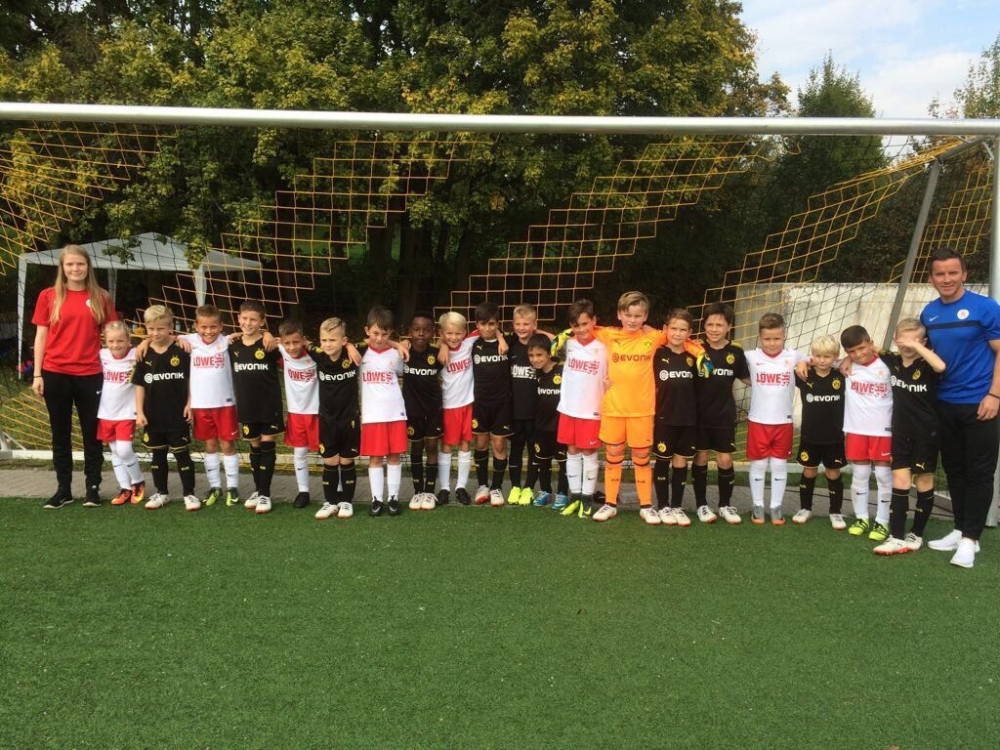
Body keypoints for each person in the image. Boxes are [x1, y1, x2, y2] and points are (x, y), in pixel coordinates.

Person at [921, 247, 1000, 568]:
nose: (947, 279)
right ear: (931, 278)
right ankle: (960, 528)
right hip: (945, 403)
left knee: (980, 471)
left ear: (964, 274)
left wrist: (994, 395)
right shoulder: (929, 313)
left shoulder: (986, 308)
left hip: (981, 403)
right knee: (954, 469)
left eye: (953, 272)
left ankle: (970, 540)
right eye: (940, 274)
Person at [32, 244, 117, 509]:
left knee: (92, 433)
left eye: (80, 264)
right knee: (60, 433)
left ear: (88, 266)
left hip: (91, 374)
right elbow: (41, 336)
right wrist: (37, 374)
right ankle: (63, 490)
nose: (75, 269)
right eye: (70, 264)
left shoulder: (101, 297)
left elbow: (114, 334)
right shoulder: (48, 296)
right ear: (62, 267)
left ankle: (93, 488)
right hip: (55, 373)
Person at [590, 292, 669, 522]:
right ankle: (610, 504)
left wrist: (701, 352)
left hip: (642, 410)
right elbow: (580, 328)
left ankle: (646, 506)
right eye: (628, 315)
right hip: (614, 408)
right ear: (619, 315)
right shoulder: (608, 334)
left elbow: (680, 336)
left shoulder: (654, 337)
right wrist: (555, 337)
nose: (632, 320)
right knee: (613, 454)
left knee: (641, 456)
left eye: (637, 316)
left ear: (645, 316)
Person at [873, 318, 946, 555]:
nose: (908, 345)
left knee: (923, 480)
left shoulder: (927, 364)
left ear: (923, 342)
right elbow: (867, 349)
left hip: (926, 432)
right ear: (896, 340)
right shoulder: (892, 360)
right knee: (900, 481)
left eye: (914, 341)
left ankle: (916, 534)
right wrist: (843, 361)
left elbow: (941, 367)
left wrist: (918, 347)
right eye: (903, 340)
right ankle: (895, 536)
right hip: (900, 432)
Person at [132, 305, 198, 511]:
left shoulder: (182, 350)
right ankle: (162, 493)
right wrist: (140, 412)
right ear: (146, 327)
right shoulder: (143, 353)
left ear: (170, 327)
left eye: (160, 328)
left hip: (177, 413)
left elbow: (190, 380)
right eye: (151, 329)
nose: (155, 333)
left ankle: (189, 494)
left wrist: (190, 403)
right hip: (153, 414)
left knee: (182, 454)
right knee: (157, 455)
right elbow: (139, 385)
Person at [691, 303, 749, 525]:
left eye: (719, 325)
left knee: (725, 459)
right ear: (703, 325)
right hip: (699, 416)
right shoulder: (695, 348)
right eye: (710, 324)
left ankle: (725, 505)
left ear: (729, 327)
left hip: (724, 415)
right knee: (702, 457)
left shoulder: (736, 351)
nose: (714, 329)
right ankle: (701, 505)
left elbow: (747, 378)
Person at [744, 313, 805, 525]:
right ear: (760, 337)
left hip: (783, 422)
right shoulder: (751, 356)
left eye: (777, 338)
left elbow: (820, 359)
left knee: (779, 465)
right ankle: (758, 505)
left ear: (784, 336)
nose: (772, 343)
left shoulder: (794, 355)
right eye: (767, 339)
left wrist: (803, 362)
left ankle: (776, 506)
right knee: (759, 465)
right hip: (758, 421)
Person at [180, 304, 241, 507]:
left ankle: (232, 487)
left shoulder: (227, 341)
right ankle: (215, 487)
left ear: (221, 326)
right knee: (210, 445)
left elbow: (251, 334)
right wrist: (178, 339)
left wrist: (266, 334)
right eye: (204, 327)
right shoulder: (188, 340)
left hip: (225, 404)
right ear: (196, 326)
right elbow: (164, 338)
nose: (208, 331)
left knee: (227, 445)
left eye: (213, 326)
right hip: (200, 405)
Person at [553, 299, 607, 517]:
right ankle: (575, 496)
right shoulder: (567, 343)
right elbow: (542, 339)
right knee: (572, 451)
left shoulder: (605, 345)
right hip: (568, 407)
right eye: (577, 325)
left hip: (592, 409)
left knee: (589, 452)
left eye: (586, 323)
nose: (582, 329)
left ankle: (587, 498)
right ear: (570, 326)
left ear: (594, 321)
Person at [840, 325, 894, 542]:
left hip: (884, 430)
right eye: (851, 352)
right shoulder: (846, 366)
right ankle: (861, 518)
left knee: (883, 476)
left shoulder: (889, 364)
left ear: (871, 343)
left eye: (862, 348)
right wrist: (846, 360)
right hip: (856, 429)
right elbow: (817, 359)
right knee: (860, 475)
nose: (858, 354)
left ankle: (882, 520)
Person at [229, 301, 284, 515]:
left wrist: (268, 334)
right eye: (244, 318)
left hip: (269, 405)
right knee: (254, 448)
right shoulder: (232, 345)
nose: (248, 323)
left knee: (267, 445)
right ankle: (258, 489)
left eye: (253, 319)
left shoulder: (269, 345)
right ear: (238, 318)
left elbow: (291, 358)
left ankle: (265, 494)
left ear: (262, 321)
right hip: (247, 406)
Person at [651, 309, 701, 527]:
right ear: (665, 329)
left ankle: (677, 506)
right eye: (673, 328)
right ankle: (663, 505)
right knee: (662, 461)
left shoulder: (695, 357)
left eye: (682, 330)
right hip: (664, 418)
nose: (677, 333)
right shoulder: (656, 354)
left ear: (689, 333)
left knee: (681, 462)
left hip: (688, 419)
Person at [359, 306, 408, 517]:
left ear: (391, 333)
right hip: (372, 416)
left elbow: (403, 371)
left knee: (394, 456)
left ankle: (393, 498)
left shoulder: (397, 354)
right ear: (367, 330)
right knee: (376, 459)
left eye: (385, 334)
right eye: (375, 333)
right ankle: (376, 499)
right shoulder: (359, 353)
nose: (379, 338)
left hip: (395, 413)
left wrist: (398, 345)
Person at [310, 318, 361, 520]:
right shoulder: (318, 354)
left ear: (343, 340)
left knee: (346, 460)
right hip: (327, 419)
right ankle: (331, 502)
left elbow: (377, 340)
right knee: (330, 461)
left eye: (332, 340)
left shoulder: (353, 352)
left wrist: (351, 346)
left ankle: (347, 502)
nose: (327, 344)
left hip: (349, 418)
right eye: (324, 340)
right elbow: (301, 341)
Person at [793, 334, 846, 529]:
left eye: (827, 356)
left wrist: (847, 360)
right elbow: (789, 360)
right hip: (810, 435)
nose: (822, 360)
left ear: (835, 357)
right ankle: (805, 508)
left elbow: (856, 360)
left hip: (834, 436)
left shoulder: (841, 375)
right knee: (809, 471)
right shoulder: (804, 375)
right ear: (812, 355)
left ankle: (835, 512)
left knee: (833, 473)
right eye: (818, 356)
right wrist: (802, 362)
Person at [98, 321, 146, 506]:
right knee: (115, 451)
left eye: (120, 341)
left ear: (128, 340)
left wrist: (146, 341)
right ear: (105, 341)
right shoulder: (102, 355)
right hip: (106, 411)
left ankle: (138, 481)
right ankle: (125, 488)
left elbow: (157, 341)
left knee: (124, 450)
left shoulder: (136, 354)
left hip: (127, 412)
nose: (115, 345)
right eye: (111, 341)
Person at [469, 301, 512, 507]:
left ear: (498, 324)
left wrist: (501, 337)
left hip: (502, 404)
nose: (487, 328)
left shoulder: (508, 342)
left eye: (492, 324)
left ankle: (496, 487)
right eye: (483, 324)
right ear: (477, 324)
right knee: (480, 443)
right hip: (480, 404)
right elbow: (448, 340)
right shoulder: (471, 343)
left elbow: (537, 334)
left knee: (499, 445)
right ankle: (482, 485)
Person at [403, 312, 444, 511]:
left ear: (432, 332)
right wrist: (399, 344)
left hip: (433, 409)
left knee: (432, 446)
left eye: (426, 330)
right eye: (417, 329)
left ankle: (429, 491)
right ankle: (417, 491)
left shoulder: (437, 353)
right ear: (410, 331)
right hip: (412, 410)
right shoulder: (403, 352)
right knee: (416, 448)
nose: (421, 334)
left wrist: (445, 345)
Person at [277, 319, 320, 509]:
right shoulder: (281, 352)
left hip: (317, 412)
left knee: (327, 452)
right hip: (296, 413)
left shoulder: (315, 354)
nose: (292, 347)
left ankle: (336, 489)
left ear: (303, 340)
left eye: (296, 342)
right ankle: (303, 491)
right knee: (299, 452)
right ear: (281, 342)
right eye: (287, 343)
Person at [436, 311, 477, 506]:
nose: (453, 337)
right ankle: (444, 488)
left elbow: (489, 328)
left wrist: (501, 338)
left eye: (458, 333)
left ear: (465, 332)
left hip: (467, 404)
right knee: (446, 446)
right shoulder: (438, 351)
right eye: (449, 333)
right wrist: (442, 345)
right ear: (441, 333)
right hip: (448, 406)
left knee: (465, 444)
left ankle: (461, 487)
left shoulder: (469, 343)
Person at [526, 334, 569, 507]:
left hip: (560, 426)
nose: (535, 359)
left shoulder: (563, 371)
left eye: (539, 355)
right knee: (543, 461)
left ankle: (562, 493)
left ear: (549, 354)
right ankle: (545, 490)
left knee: (563, 462)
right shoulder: (535, 373)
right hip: (541, 427)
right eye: (531, 355)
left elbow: (563, 336)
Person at [507, 304, 543, 505]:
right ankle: (515, 487)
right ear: (513, 324)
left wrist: (540, 333)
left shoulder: (541, 345)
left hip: (535, 411)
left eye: (526, 324)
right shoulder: (510, 344)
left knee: (533, 450)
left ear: (534, 324)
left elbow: (558, 340)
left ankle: (529, 487)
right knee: (515, 449)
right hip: (514, 411)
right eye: (518, 324)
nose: (522, 328)